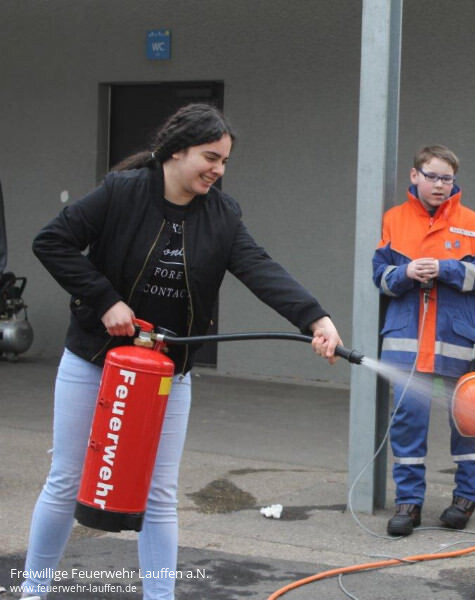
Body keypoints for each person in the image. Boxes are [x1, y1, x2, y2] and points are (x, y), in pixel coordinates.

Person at [22, 103, 343, 600]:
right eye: (210, 157)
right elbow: (52, 241)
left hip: (169, 373)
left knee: (158, 493)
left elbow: (261, 269)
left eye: (225, 161)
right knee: (66, 478)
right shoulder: (122, 192)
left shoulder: (222, 215)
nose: (218, 170)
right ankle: (33, 590)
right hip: (94, 360)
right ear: (176, 151)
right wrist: (105, 300)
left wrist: (315, 319)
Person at [372, 145, 475, 537]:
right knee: (407, 427)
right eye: (432, 176)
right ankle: (408, 504)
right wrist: (406, 272)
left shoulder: (472, 222)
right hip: (407, 346)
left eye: (446, 178)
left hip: (457, 345)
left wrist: (446, 269)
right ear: (414, 175)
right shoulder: (395, 220)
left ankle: (466, 499)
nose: (439, 185)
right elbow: (379, 276)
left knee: (469, 426)